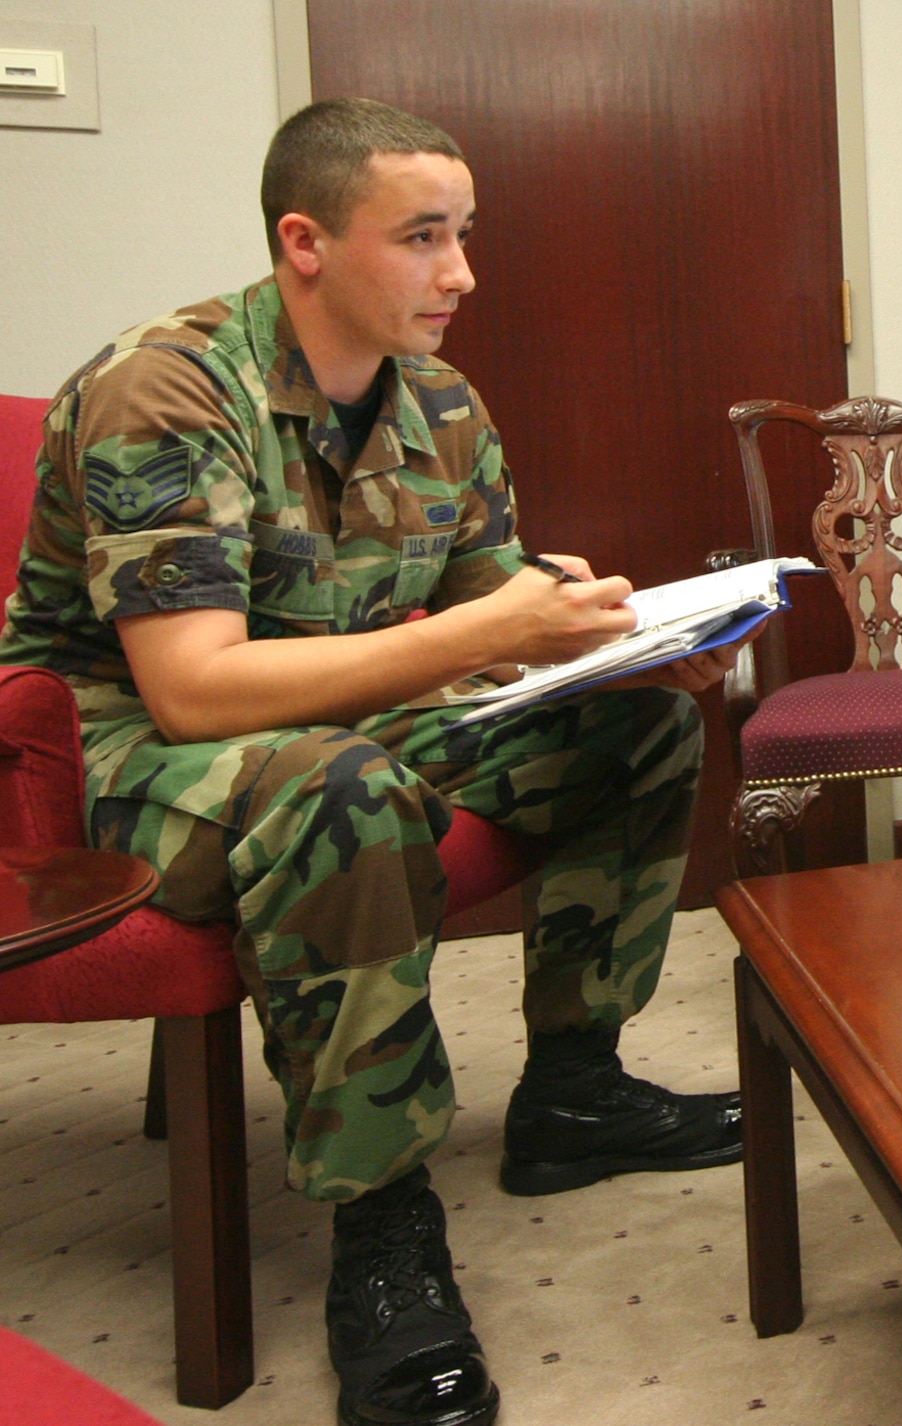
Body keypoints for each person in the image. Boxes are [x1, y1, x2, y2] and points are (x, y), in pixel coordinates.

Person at [0, 99, 749, 1426]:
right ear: (305, 240)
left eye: (464, 235)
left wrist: (602, 639)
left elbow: (482, 600)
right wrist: (485, 626)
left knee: (636, 725)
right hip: (128, 749)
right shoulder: (164, 388)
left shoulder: (442, 400)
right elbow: (191, 687)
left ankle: (576, 1093)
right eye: (422, 237)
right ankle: (383, 1224)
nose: (460, 274)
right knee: (338, 797)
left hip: (347, 707)